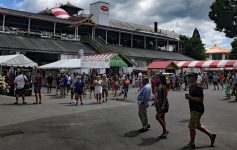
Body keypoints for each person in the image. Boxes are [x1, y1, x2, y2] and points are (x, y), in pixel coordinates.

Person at [183, 73, 216, 149]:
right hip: (193, 109)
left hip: (197, 109)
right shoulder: (191, 86)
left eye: (190, 77)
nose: (188, 78)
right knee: (197, 126)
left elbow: (200, 99)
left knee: (191, 126)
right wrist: (189, 97)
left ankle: (192, 143)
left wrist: (190, 97)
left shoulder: (198, 87)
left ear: (194, 78)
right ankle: (211, 135)